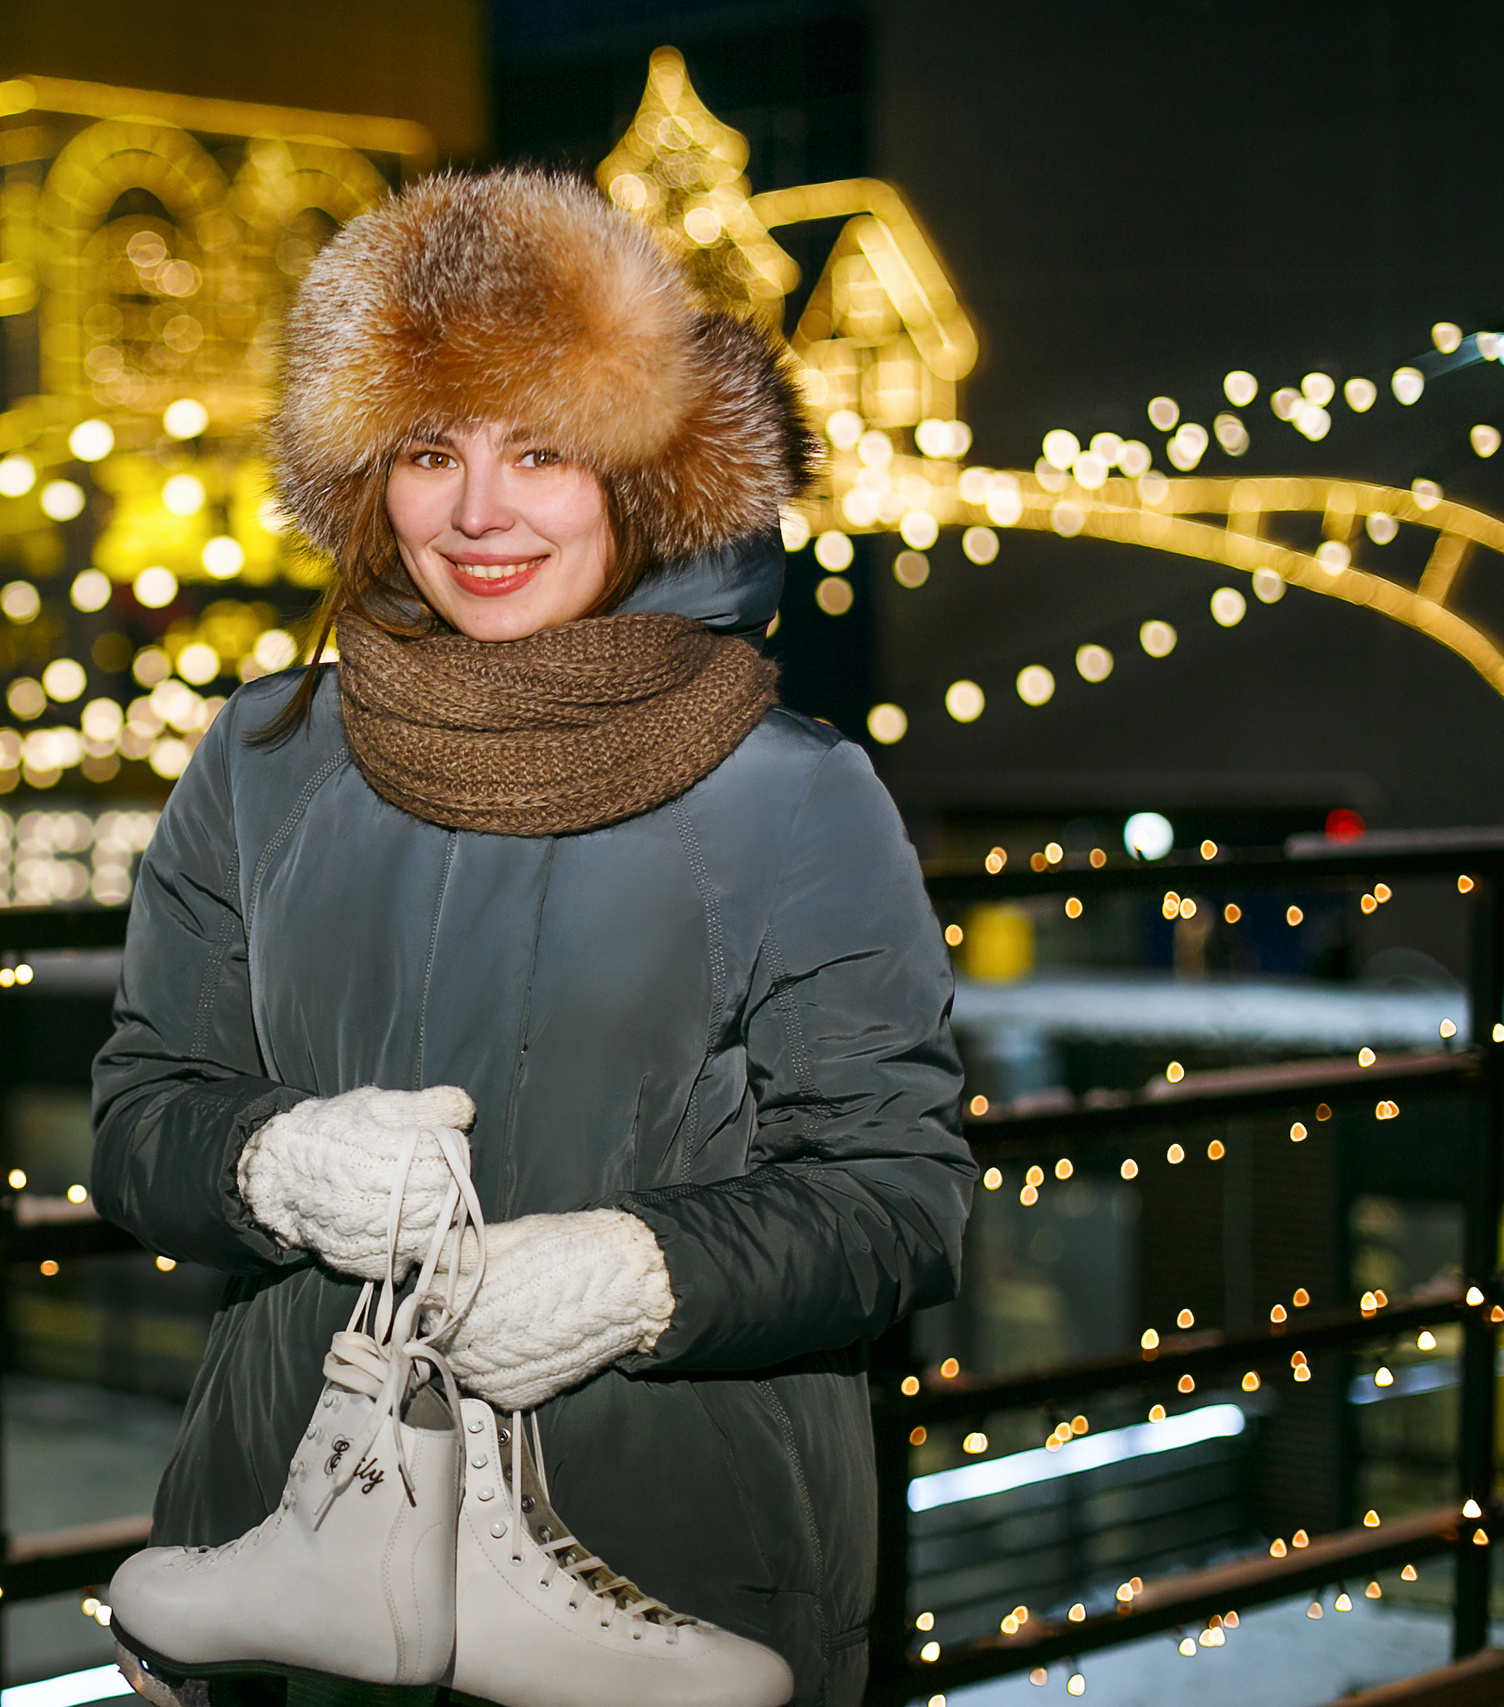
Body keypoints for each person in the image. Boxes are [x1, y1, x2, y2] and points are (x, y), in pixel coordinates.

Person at [91, 168, 973, 1707]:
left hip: (670, 1566)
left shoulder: (793, 795)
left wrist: (638, 1273)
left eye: (543, 450)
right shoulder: (264, 760)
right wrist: (269, 1164)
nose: (477, 513)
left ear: (645, 473)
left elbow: (900, 1201)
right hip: (287, 1568)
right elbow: (136, 1122)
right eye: (430, 450)